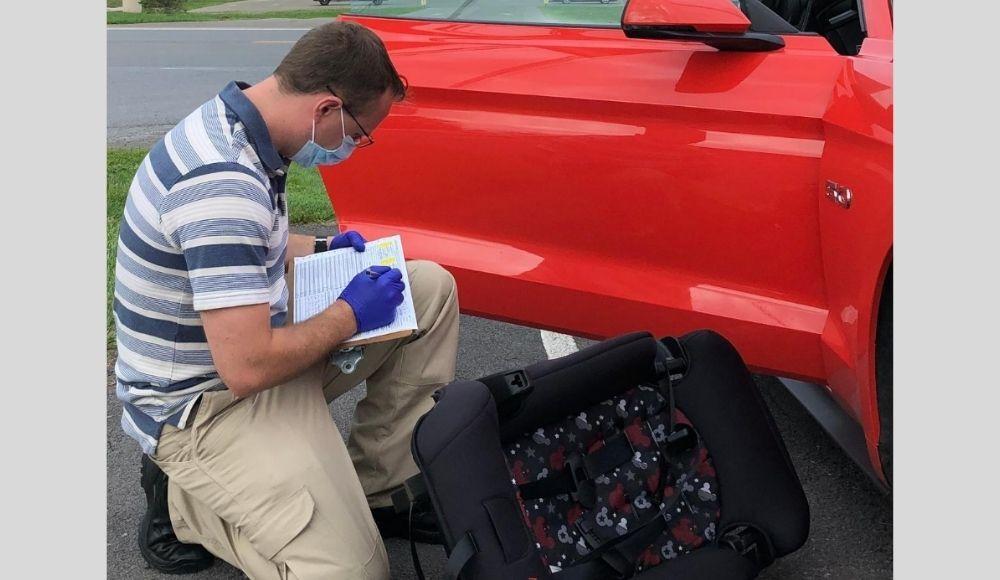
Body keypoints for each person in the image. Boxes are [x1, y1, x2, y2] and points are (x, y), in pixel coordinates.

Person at [113, 21, 459, 579]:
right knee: (355, 571)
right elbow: (248, 368)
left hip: (242, 339)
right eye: (360, 133)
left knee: (428, 290)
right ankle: (186, 503)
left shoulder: (246, 126)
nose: (355, 147)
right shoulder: (222, 184)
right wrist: (349, 312)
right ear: (326, 109)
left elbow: (252, 244)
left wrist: (323, 248)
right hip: (204, 402)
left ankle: (378, 489)